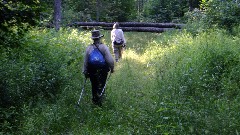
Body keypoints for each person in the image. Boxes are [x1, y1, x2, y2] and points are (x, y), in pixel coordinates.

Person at [83, 30, 114, 106]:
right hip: (103, 69)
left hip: (91, 69)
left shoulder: (89, 48)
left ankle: (95, 100)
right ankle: (100, 100)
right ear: (99, 38)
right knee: (102, 83)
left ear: (93, 38)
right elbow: (110, 60)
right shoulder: (103, 47)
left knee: (94, 84)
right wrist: (112, 68)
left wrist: (85, 71)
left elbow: (86, 61)